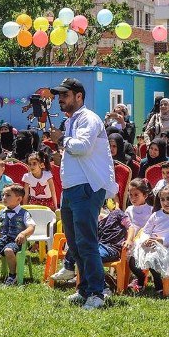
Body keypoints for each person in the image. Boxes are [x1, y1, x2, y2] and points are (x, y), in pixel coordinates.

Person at [48, 77, 117, 310]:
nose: (60, 100)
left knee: (87, 242)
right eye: (59, 96)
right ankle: (84, 289)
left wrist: (62, 140)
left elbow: (82, 147)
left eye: (65, 96)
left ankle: (98, 293)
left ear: (79, 97)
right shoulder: (72, 120)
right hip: (72, 188)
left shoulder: (88, 118)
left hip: (88, 186)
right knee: (76, 244)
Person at [127, 184, 169, 294]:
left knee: (153, 258)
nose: (166, 203)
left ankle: (159, 285)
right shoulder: (156, 215)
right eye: (163, 200)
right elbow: (146, 230)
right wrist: (145, 239)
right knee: (132, 260)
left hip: (168, 248)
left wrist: (161, 240)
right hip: (150, 244)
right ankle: (141, 279)